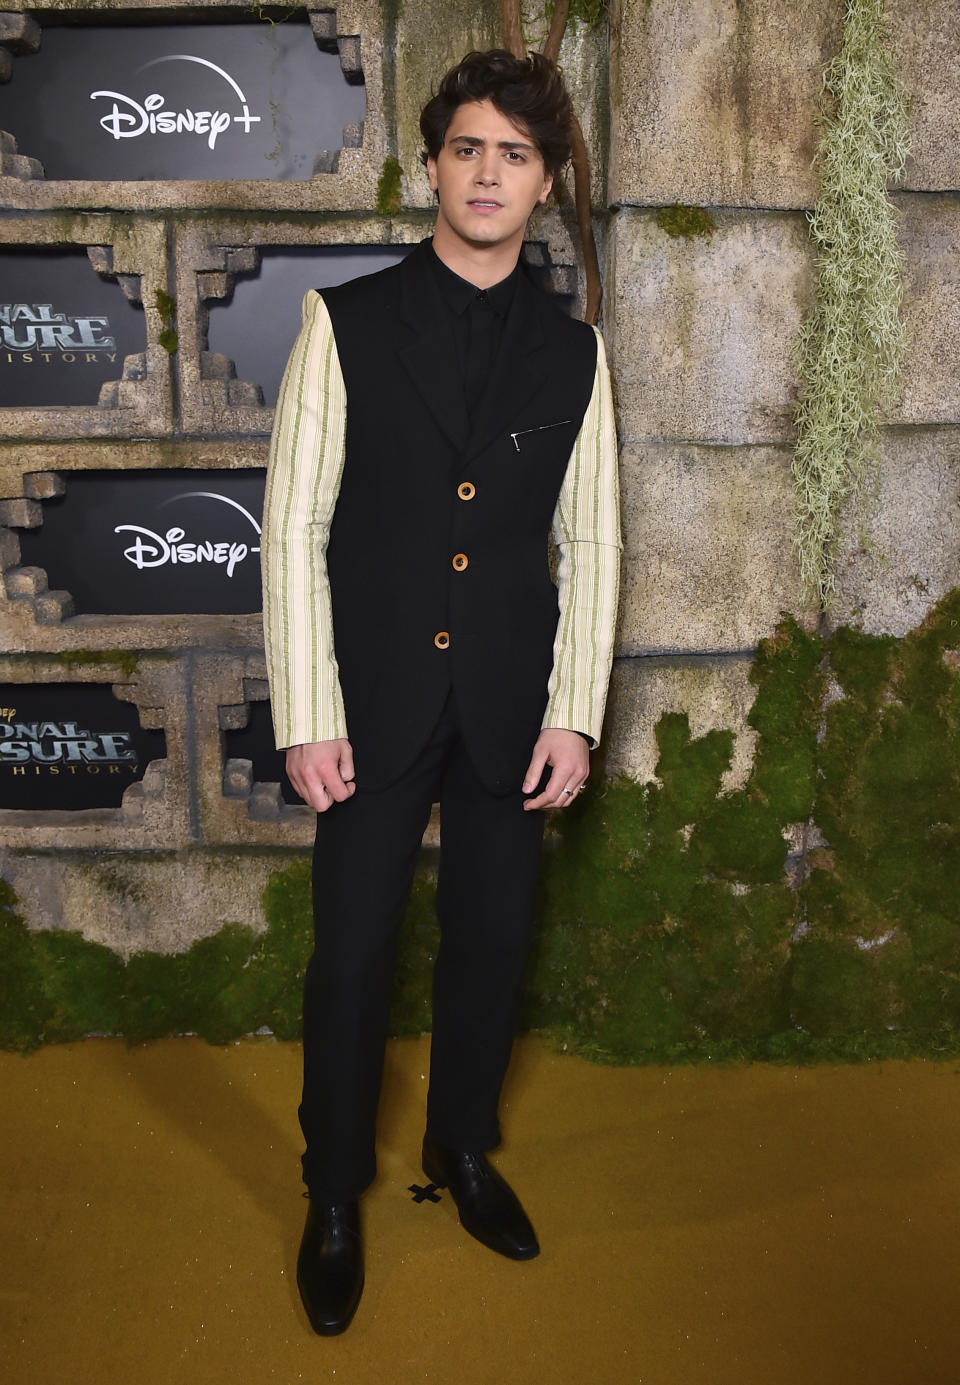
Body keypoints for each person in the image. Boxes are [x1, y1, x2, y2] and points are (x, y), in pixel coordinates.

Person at [261, 47, 620, 1336]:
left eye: (515, 155)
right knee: (351, 954)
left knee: (491, 943)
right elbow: (293, 527)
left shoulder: (575, 352)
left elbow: (592, 541)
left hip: (514, 710)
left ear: (543, 183)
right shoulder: (344, 322)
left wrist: (574, 712)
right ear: (431, 168)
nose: (488, 172)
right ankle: (335, 1192)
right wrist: (307, 712)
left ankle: (465, 1148)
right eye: (467, 148)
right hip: (368, 707)